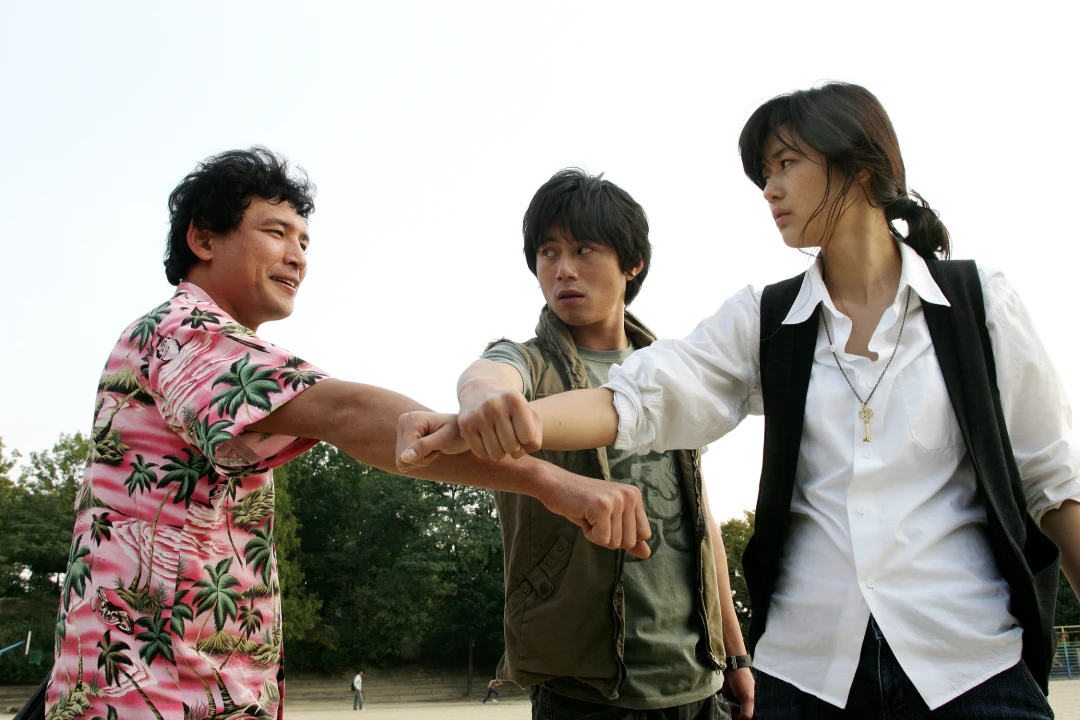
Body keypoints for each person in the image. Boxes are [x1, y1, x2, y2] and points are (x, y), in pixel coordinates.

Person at [398, 83, 1080, 719]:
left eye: (786, 164)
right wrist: (490, 418)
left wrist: (730, 651)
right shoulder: (764, 319)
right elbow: (638, 396)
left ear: (859, 167)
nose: (770, 188)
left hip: (969, 666)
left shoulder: (979, 304)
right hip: (808, 678)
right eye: (763, 173)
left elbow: (1054, 482)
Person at [44, 147, 651, 720]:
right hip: (155, 692)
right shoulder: (182, 331)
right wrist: (549, 481)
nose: (297, 256)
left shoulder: (192, 345)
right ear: (202, 238)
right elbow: (349, 415)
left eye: (304, 241)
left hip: (183, 686)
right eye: (276, 232)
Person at [438, 169, 752, 719]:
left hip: (698, 680)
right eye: (548, 252)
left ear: (633, 262)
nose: (563, 269)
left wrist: (736, 655)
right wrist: (482, 394)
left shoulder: (672, 373)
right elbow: (490, 373)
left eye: (583, 249)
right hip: (584, 690)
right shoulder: (529, 362)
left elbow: (703, 521)